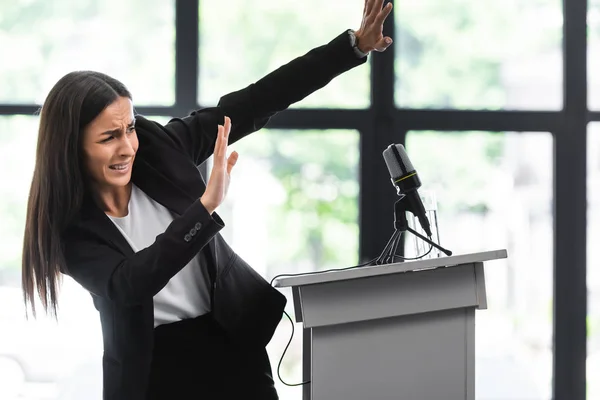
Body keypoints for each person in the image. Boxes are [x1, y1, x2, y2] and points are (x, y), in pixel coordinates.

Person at [21, 0, 393, 398]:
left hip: (228, 337)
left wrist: (350, 48)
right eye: (109, 137)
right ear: (71, 148)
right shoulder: (68, 231)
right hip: (154, 368)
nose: (128, 147)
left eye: (129, 128)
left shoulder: (160, 149)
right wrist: (203, 210)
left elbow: (254, 101)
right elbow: (131, 284)